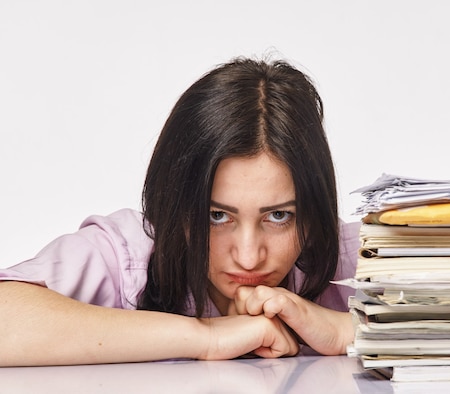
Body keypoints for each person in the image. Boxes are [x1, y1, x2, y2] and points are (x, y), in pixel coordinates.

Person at [0, 57, 361, 366]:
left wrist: (350, 329)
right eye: (217, 216)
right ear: (175, 204)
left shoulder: (358, 259)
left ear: (314, 213)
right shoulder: (129, 255)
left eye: (279, 216)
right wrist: (206, 337)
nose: (249, 257)